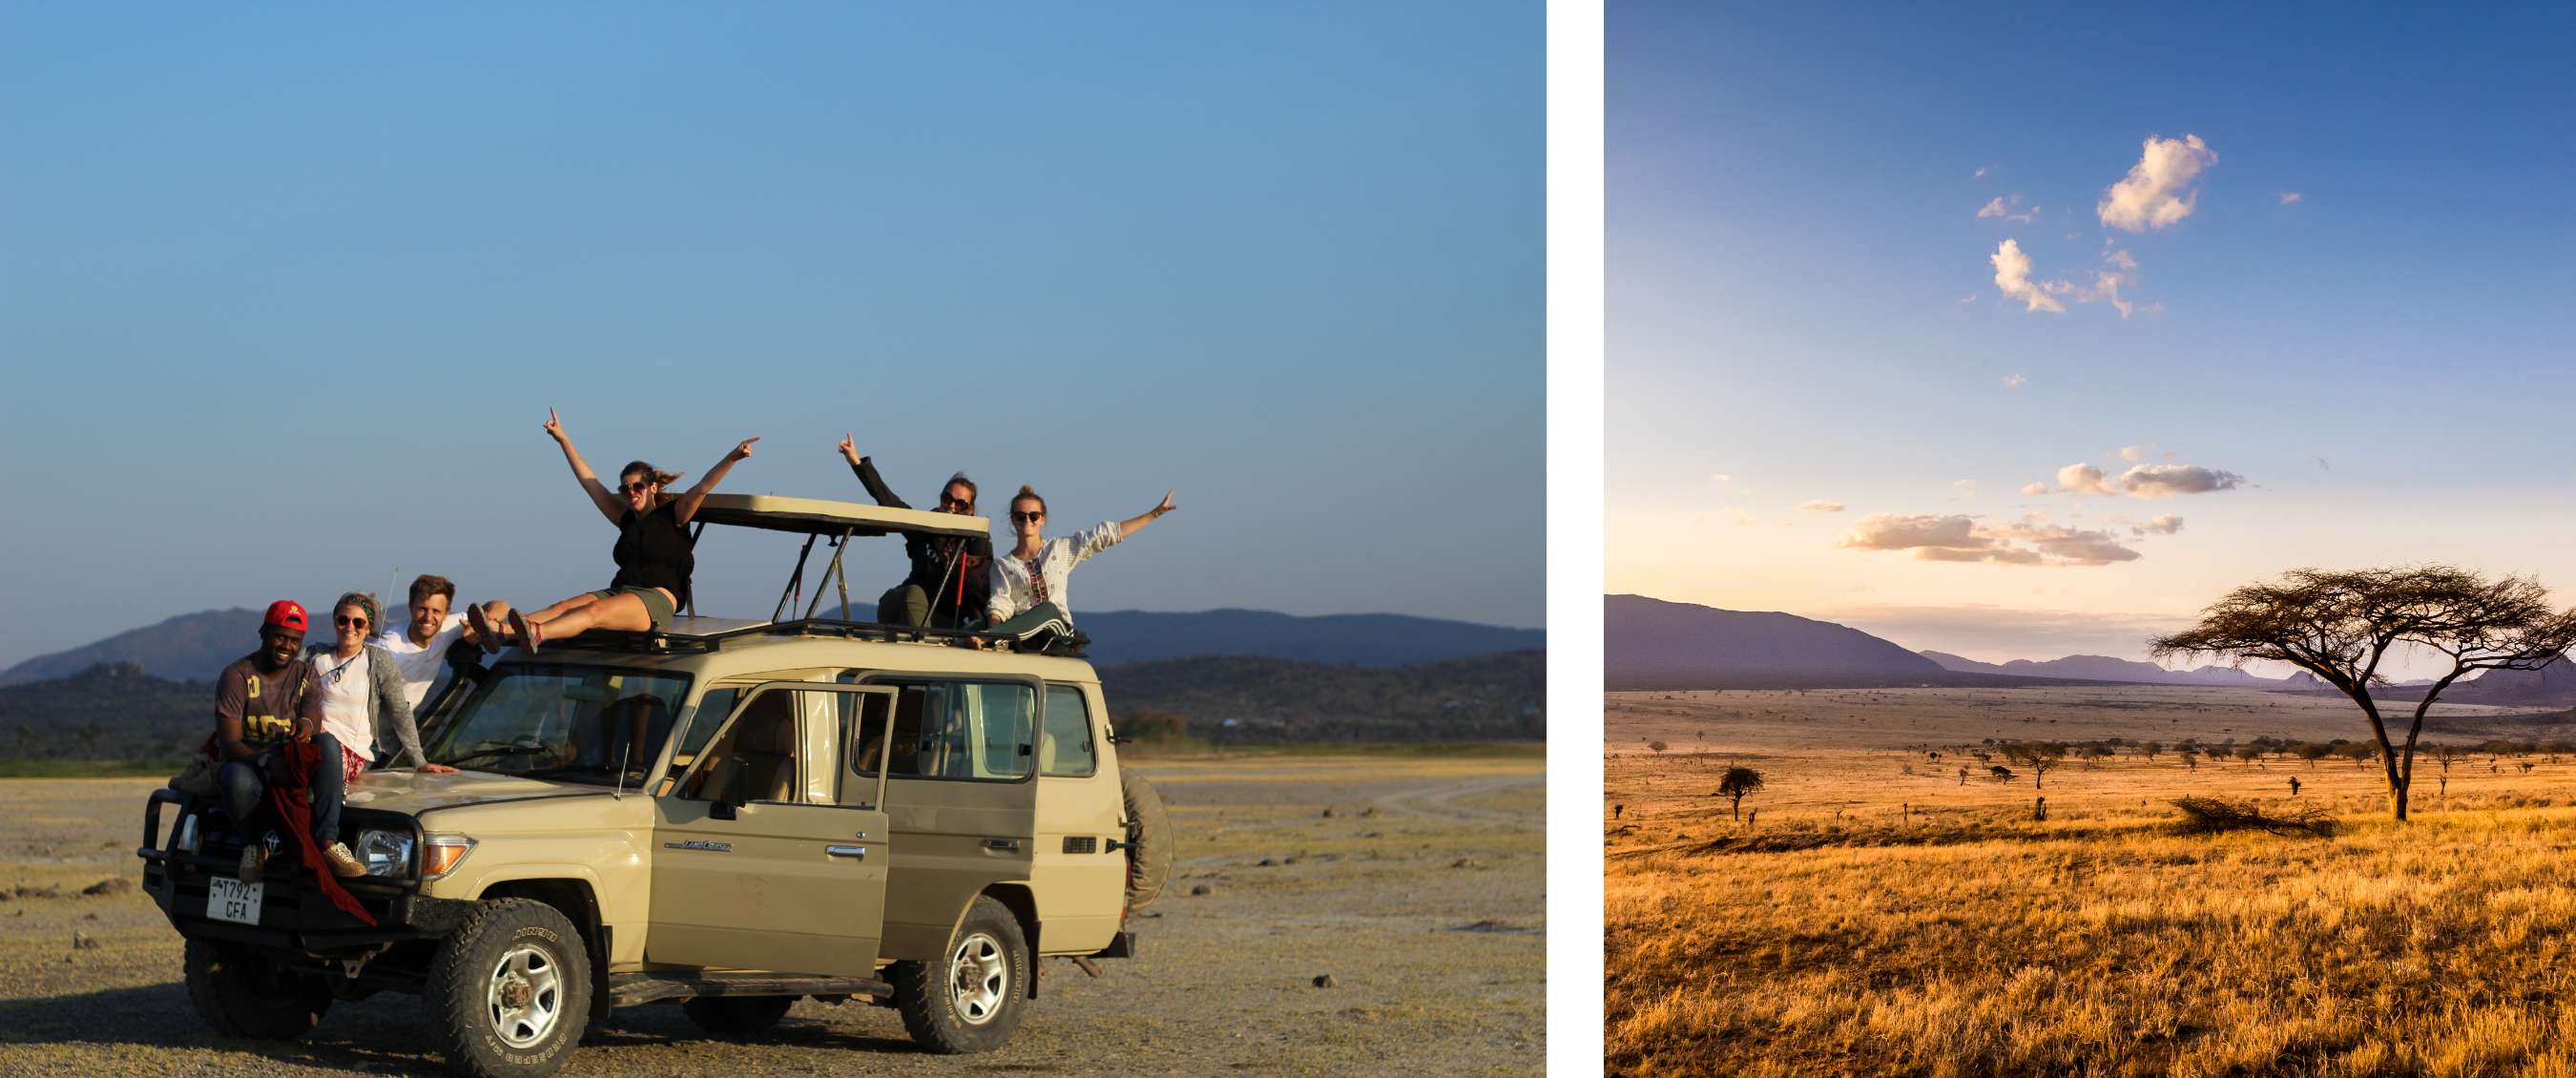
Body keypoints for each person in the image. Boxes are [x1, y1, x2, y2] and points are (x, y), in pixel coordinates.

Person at [472, 408, 758, 652]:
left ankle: (538, 633)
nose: (631, 492)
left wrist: (733, 457)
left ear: (652, 488)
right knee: (563, 606)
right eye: (625, 487)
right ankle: (503, 631)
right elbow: (590, 482)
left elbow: (703, 487)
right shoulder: (626, 518)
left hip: (656, 598)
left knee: (592, 613)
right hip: (622, 590)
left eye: (638, 486)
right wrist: (563, 440)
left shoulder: (674, 515)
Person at [209, 600, 362, 881]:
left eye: (294, 641)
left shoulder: (305, 674)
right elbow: (230, 743)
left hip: (290, 760)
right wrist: (267, 760)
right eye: (280, 636)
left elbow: (312, 718)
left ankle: (328, 842)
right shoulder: (237, 675)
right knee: (235, 777)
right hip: (252, 761)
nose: (286, 646)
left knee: (328, 744)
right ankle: (254, 846)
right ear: (264, 632)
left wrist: (304, 728)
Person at [980, 485, 1177, 647]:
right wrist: (992, 631)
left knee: (1047, 609)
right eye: (1021, 516)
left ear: (1043, 519)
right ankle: (989, 639)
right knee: (977, 623)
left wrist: (1154, 513)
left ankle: (992, 637)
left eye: (1033, 515)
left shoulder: (1059, 549)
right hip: (1024, 635)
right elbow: (1000, 603)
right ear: (1013, 520)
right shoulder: (1003, 565)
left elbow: (1104, 536)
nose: (1027, 520)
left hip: (1057, 632)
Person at [836, 434, 990, 629]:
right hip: (902, 605)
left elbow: (982, 587)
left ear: (970, 511)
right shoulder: (924, 528)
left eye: (960, 503)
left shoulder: (976, 540)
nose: (951, 505)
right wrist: (856, 462)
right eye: (946, 498)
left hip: (945, 618)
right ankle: (918, 648)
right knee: (915, 594)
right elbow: (889, 502)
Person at [304, 591, 458, 780]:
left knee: (320, 752)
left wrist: (419, 761)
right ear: (335, 622)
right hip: (310, 739)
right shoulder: (315, 654)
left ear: (368, 628)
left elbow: (400, 710)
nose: (350, 627)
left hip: (347, 751)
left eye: (359, 623)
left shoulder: (378, 661)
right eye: (343, 620)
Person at [376, 573, 488, 717]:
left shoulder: (450, 627)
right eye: (422, 608)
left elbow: (500, 606)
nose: (428, 617)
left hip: (400, 726)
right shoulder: (390, 648)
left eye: (436, 611)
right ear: (411, 607)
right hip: (366, 730)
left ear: (446, 613)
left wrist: (477, 627)